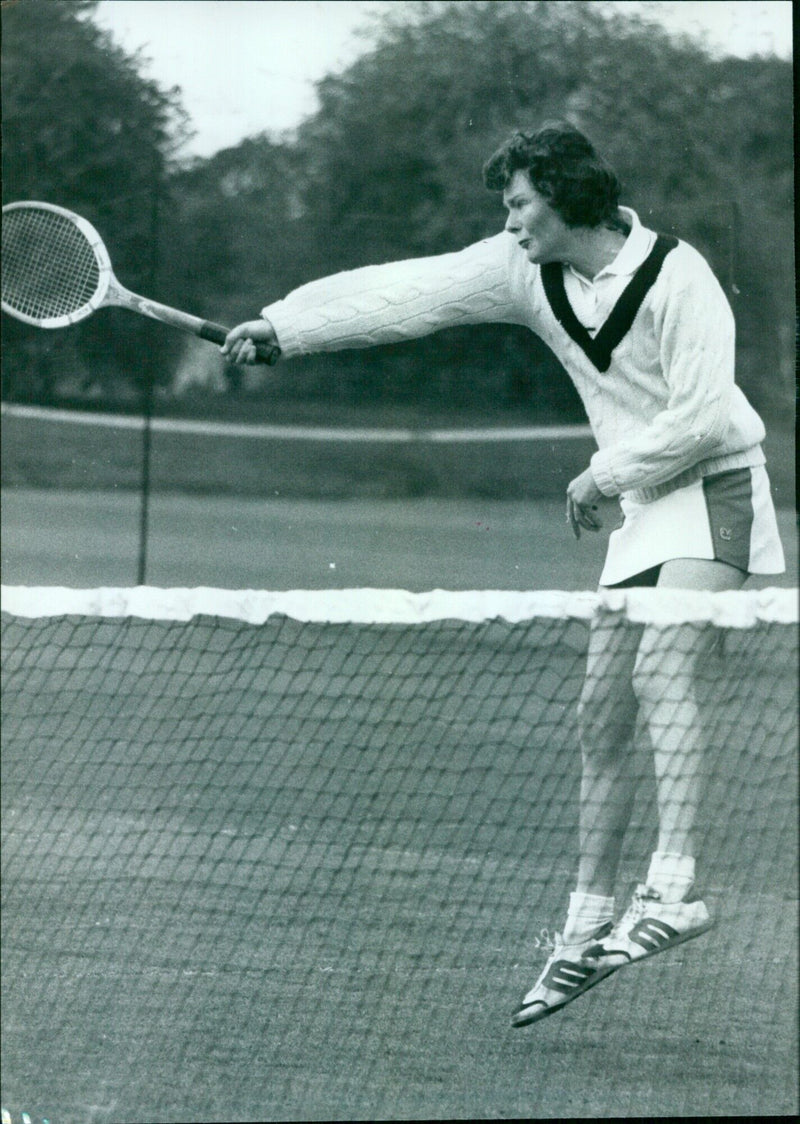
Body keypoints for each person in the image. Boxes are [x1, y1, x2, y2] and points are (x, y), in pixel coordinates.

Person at [222, 122, 785, 1027]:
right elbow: (412, 291)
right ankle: (585, 925)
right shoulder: (522, 268)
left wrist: (602, 474)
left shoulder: (682, 276)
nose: (512, 219)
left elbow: (706, 413)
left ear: (565, 197)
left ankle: (673, 888)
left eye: (520, 201)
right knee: (599, 716)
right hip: (643, 508)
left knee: (658, 671)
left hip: (715, 486)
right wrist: (288, 328)